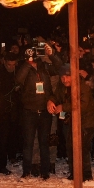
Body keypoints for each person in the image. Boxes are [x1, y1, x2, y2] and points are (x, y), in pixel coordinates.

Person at [15, 45, 60, 179]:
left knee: (44, 142)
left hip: (45, 110)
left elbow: (59, 67)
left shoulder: (44, 67)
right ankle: (27, 170)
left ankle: (45, 171)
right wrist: (28, 64)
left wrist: (51, 55)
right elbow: (18, 80)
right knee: (28, 142)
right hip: (29, 111)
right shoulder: (24, 68)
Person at [49, 64, 94, 182]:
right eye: (62, 77)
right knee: (70, 146)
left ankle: (86, 175)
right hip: (71, 121)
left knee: (82, 147)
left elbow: (83, 105)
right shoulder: (62, 86)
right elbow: (56, 96)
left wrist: (63, 107)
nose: (64, 80)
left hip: (87, 121)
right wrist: (50, 101)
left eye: (67, 76)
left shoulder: (83, 86)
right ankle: (74, 173)